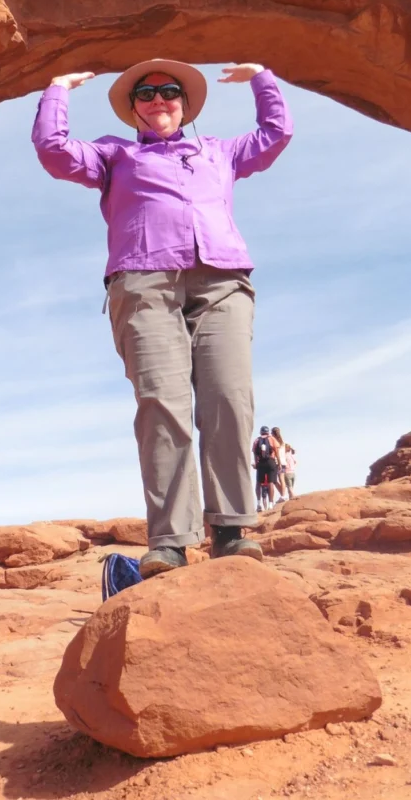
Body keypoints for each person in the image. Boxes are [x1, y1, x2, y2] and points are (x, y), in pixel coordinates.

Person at [34, 60, 292, 576]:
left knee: (229, 399)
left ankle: (232, 530)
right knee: (161, 405)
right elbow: (55, 152)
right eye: (146, 94)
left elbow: (276, 133)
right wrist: (57, 90)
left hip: (221, 282)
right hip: (144, 282)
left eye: (168, 92)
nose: (158, 100)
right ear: (133, 109)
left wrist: (263, 76)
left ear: (184, 103)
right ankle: (171, 540)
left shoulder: (219, 152)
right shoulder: (115, 154)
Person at [253, 426, 280, 512]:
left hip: (260, 463)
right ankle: (271, 504)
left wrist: (256, 463)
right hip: (270, 462)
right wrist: (278, 462)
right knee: (270, 483)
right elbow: (276, 451)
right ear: (268, 432)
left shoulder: (256, 440)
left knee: (258, 483)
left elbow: (254, 453)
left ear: (261, 432)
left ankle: (258, 504)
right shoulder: (272, 439)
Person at [270, 427, 290, 504]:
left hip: (277, 462)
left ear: (273, 433)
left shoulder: (275, 442)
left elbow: (276, 453)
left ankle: (283, 495)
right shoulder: (283, 443)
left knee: (275, 480)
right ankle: (283, 495)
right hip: (283, 462)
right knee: (280, 479)